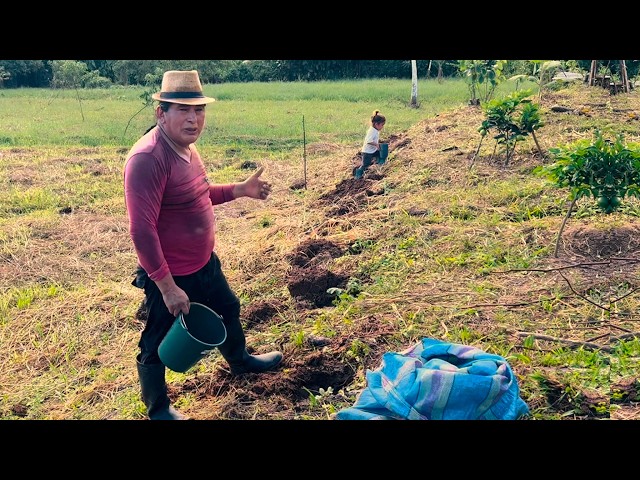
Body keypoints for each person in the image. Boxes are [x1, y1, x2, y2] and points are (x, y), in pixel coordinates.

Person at [123, 70, 283, 420]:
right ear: (160, 113)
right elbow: (142, 230)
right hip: (172, 274)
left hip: (204, 262)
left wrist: (239, 190)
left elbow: (198, 194)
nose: (193, 118)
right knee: (156, 341)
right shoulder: (148, 159)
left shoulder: (187, 149)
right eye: (182, 110)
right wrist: (167, 288)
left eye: (199, 110)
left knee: (229, 307)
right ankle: (158, 409)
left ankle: (240, 362)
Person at [354, 110, 386, 179]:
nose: (382, 127)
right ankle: (358, 174)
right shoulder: (372, 131)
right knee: (365, 164)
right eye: (382, 125)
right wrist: (376, 145)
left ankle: (379, 163)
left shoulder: (376, 130)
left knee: (381, 153)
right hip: (367, 152)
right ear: (376, 124)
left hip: (373, 150)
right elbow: (369, 141)